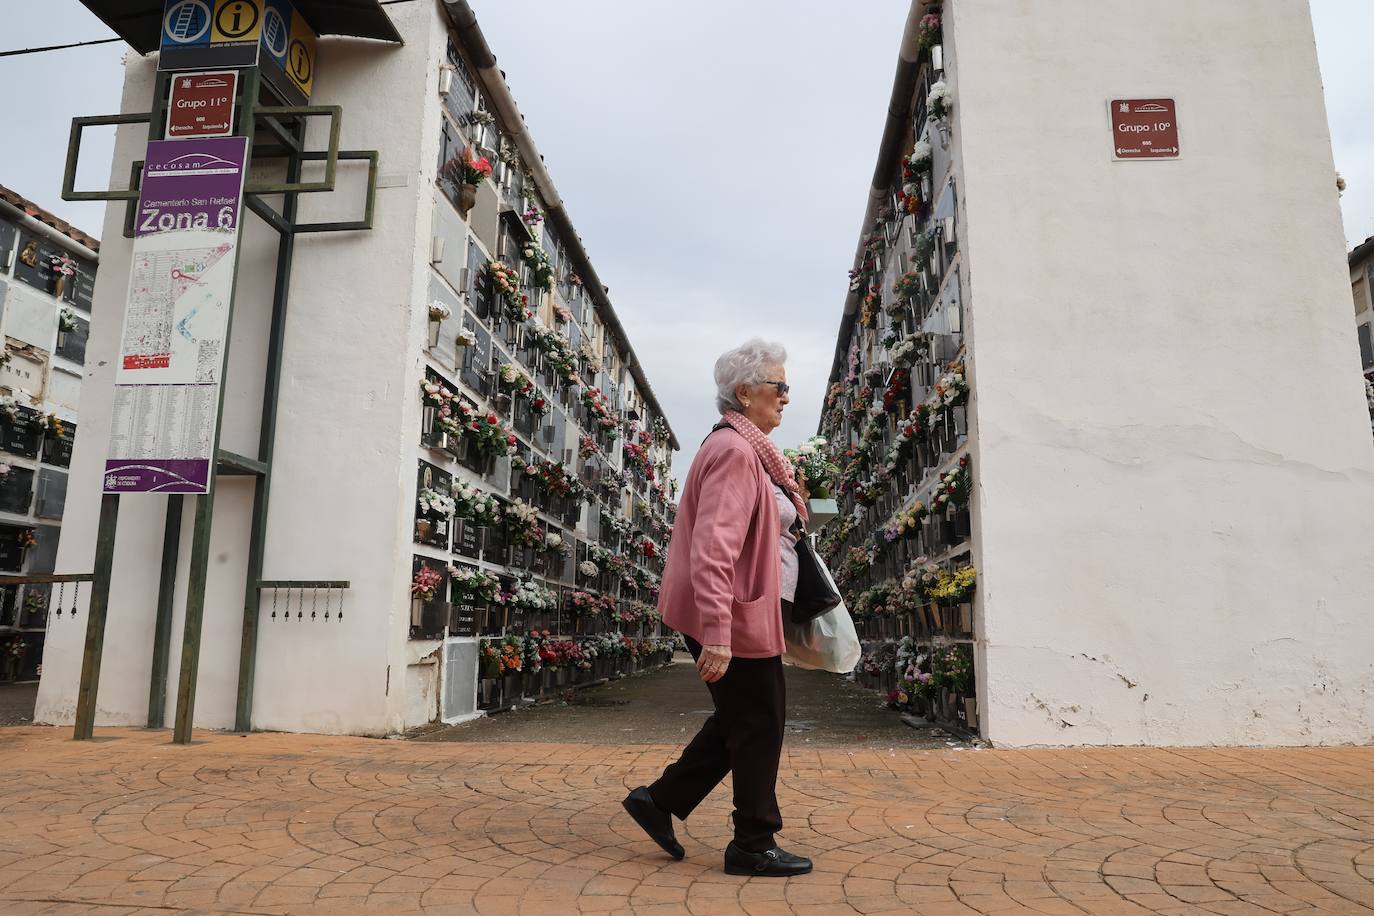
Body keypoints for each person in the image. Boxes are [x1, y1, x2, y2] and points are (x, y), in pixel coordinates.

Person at [621, 339, 813, 877]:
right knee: (760, 719)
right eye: (780, 387)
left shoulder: (745, 448)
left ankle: (659, 802)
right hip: (731, 612)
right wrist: (717, 632)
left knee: (744, 718)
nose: (786, 398)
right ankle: (752, 842)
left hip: (740, 608)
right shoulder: (733, 452)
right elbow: (713, 548)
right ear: (745, 392)